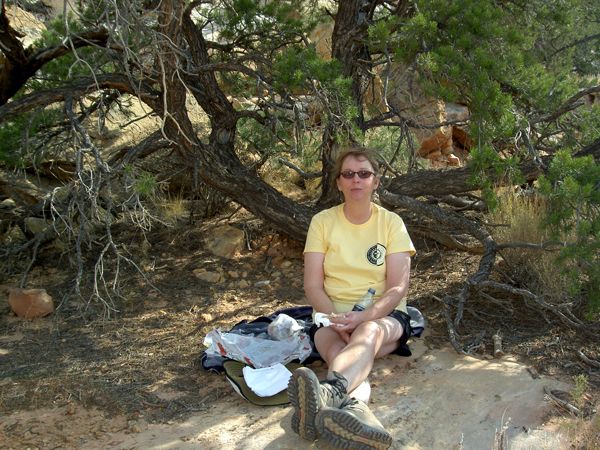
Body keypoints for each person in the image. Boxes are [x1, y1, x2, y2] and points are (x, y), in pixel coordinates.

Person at [287, 147, 416, 450]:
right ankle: (359, 415)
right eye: (348, 174)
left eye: (364, 173)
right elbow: (313, 285)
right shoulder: (322, 222)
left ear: (375, 181)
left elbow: (398, 288)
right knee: (340, 355)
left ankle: (327, 393)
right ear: (338, 183)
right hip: (331, 315)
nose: (356, 179)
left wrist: (361, 318)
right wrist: (336, 318)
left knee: (367, 334)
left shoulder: (391, 223)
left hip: (382, 317)